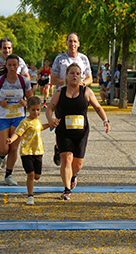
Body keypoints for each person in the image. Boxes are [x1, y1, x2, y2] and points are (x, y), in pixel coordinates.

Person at [46, 63, 110, 200]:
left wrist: (105, 120)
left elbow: (98, 107)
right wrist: (50, 119)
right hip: (63, 132)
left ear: (81, 76)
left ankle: (73, 176)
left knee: (78, 164)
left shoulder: (86, 92)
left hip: (81, 133)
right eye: (72, 73)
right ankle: (67, 189)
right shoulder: (60, 92)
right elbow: (50, 108)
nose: (75, 75)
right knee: (66, 160)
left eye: (77, 73)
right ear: (67, 76)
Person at [0, 37, 31, 170]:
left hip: (16, 101)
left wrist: (24, 96)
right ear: (0, 48)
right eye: (4, 47)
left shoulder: (19, 60)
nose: (7, 50)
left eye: (9, 48)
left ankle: (5, 155)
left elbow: (27, 77)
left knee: (14, 129)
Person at [0, 54, 33, 186]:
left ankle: (8, 174)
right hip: (2, 117)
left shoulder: (24, 81)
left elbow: (31, 98)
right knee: (3, 149)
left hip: (18, 117)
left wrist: (25, 102)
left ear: (18, 66)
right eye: (10, 65)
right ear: (6, 66)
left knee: (13, 148)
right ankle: (1, 157)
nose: (12, 67)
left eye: (15, 65)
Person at [50, 32, 93, 166]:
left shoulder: (83, 58)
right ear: (66, 43)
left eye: (75, 41)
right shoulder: (60, 59)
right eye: (70, 41)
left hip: (78, 96)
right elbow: (53, 78)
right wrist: (67, 82)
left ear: (78, 44)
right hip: (62, 97)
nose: (72, 44)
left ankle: (74, 152)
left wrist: (82, 84)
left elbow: (90, 78)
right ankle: (59, 147)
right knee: (61, 124)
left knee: (77, 124)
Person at [7, 96, 57, 204]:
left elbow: (39, 128)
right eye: (33, 110)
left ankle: (31, 187)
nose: (36, 112)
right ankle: (30, 196)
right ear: (28, 109)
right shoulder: (24, 122)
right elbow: (17, 133)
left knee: (37, 176)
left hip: (38, 151)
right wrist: (11, 139)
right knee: (30, 174)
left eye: (38, 110)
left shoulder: (38, 120)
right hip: (26, 151)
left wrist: (49, 125)